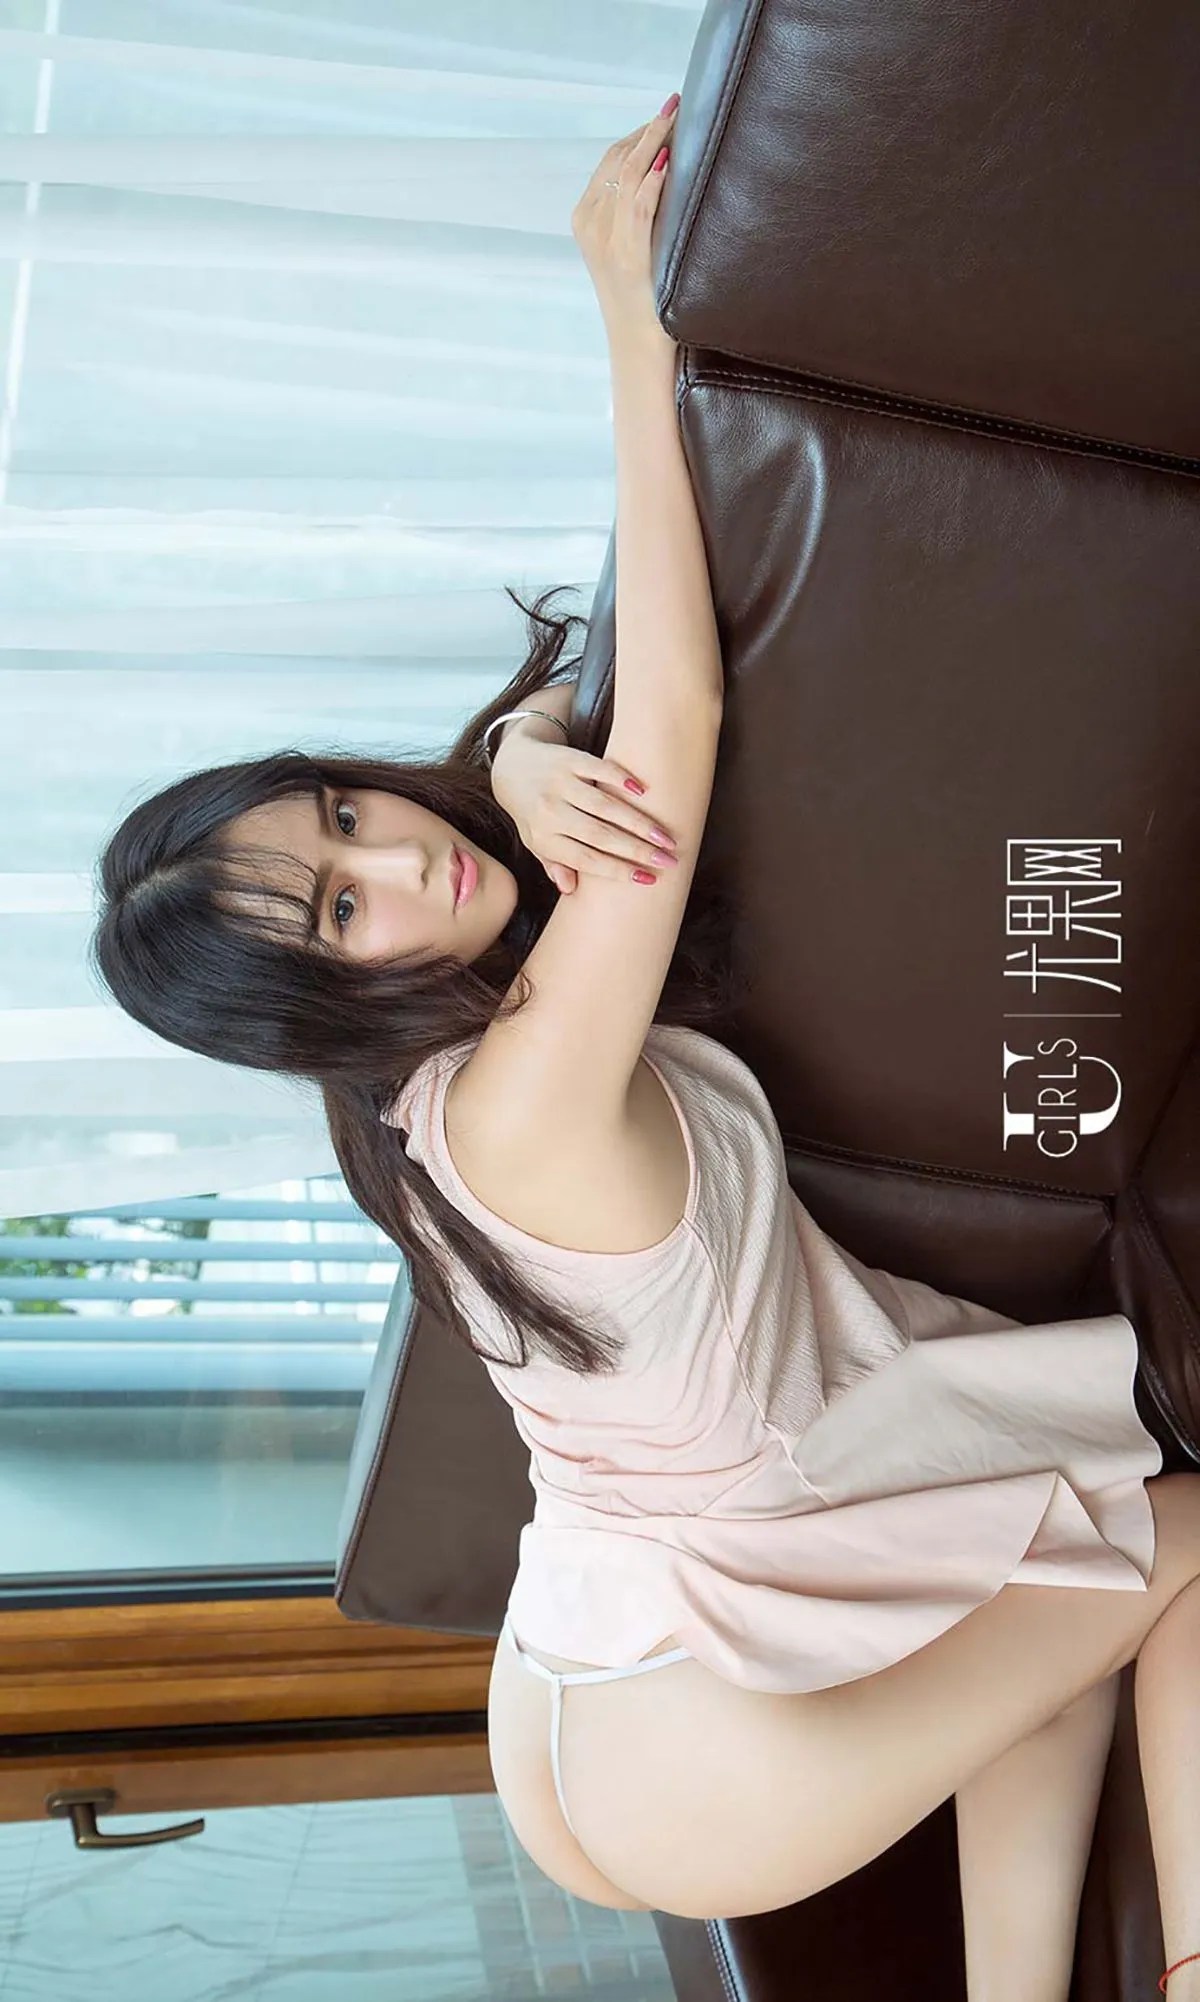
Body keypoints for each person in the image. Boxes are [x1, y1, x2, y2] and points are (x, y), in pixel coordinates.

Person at [92, 96, 1200, 2000]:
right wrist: (630, 311)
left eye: (342, 818)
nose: (396, 861)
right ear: (312, 1006)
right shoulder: (522, 1093)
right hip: (684, 1696)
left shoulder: (431, 1099)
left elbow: (555, 797)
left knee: (1061, 1577)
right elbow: (674, 713)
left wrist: (522, 757)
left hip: (604, 1663)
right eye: (340, 910)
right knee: (1179, 1546)